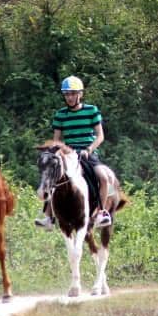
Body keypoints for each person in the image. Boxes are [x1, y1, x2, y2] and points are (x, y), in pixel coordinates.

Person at [35, 75, 112, 229]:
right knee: (53, 174)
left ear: (80, 94)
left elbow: (100, 136)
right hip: (68, 154)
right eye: (67, 94)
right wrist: (55, 153)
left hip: (87, 153)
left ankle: (100, 213)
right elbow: (56, 140)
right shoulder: (60, 115)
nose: (69, 97)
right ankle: (48, 217)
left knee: (102, 177)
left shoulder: (92, 111)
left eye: (72, 94)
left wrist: (89, 149)